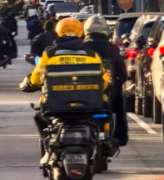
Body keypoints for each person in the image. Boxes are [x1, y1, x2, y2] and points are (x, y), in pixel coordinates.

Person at [20, 17, 109, 156]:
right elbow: (104, 81)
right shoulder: (92, 54)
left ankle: (47, 150)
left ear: (59, 32)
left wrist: (29, 84)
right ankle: (101, 145)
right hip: (89, 107)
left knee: (39, 116)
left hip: (57, 108)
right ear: (81, 32)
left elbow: (36, 78)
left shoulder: (49, 54)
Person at [83, 14, 128, 146]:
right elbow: (122, 72)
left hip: (85, 93)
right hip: (108, 94)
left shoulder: (81, 47)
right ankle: (119, 136)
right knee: (118, 102)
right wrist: (120, 79)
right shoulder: (112, 49)